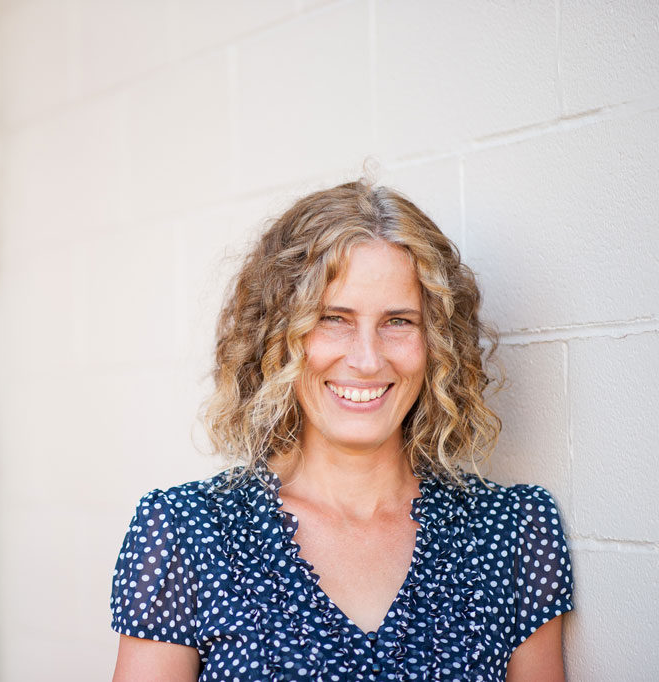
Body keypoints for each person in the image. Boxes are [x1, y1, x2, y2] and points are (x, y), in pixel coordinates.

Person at [109, 181, 574, 681]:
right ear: (277, 337)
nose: (368, 359)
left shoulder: (513, 532)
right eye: (334, 319)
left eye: (398, 321)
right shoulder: (186, 532)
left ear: (438, 342)